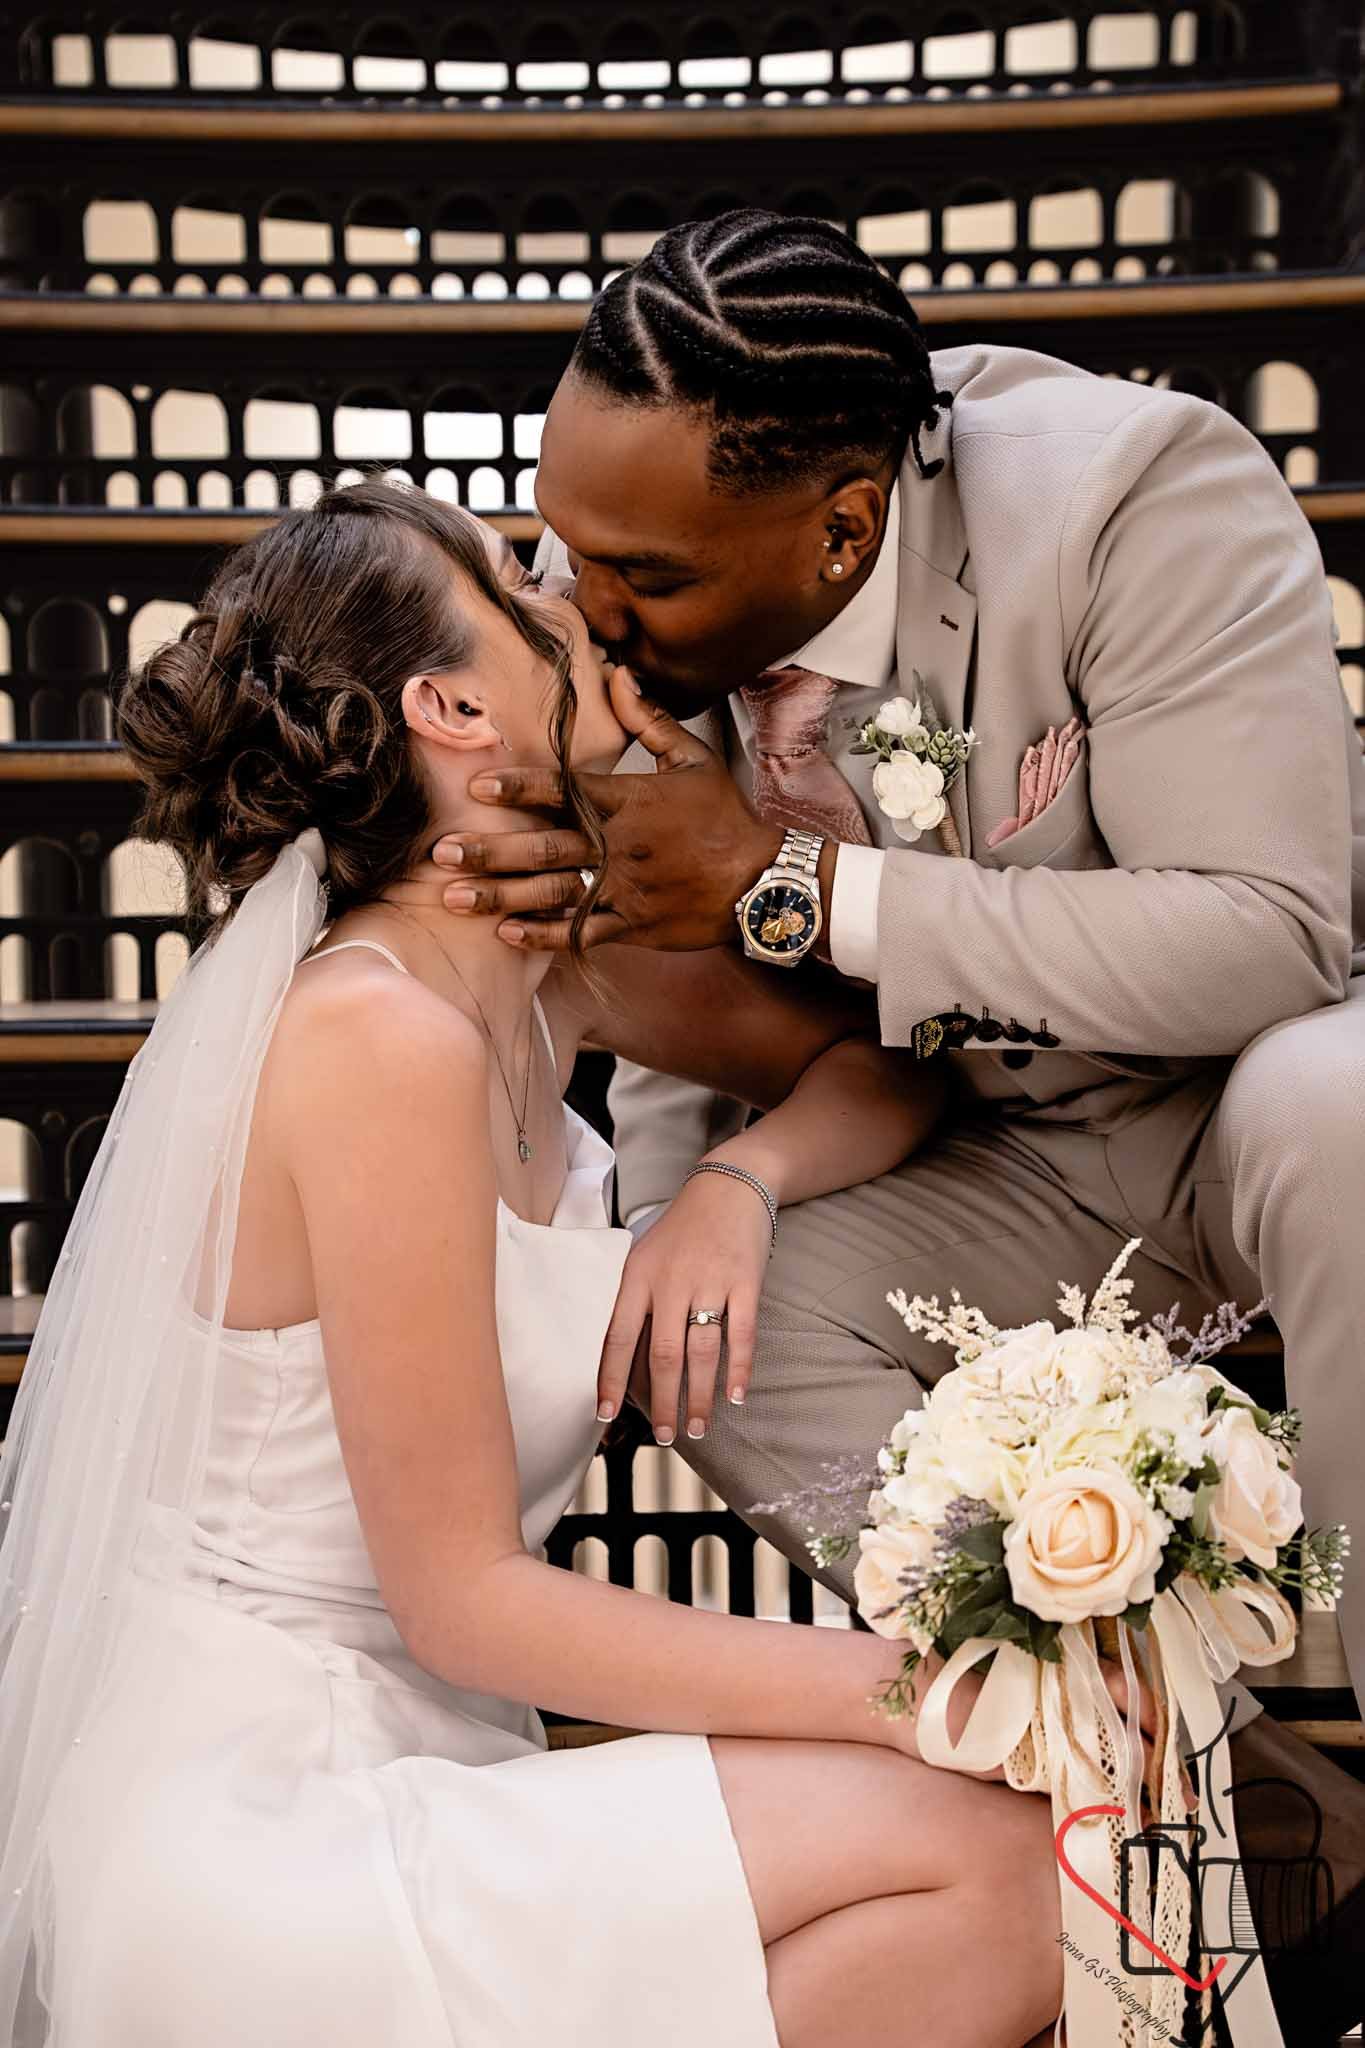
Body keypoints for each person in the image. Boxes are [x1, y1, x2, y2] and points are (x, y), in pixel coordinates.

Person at [0, 481, 1094, 2048]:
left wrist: (734, 1181)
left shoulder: (550, 968)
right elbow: (462, 1603)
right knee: (1000, 1851)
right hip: (269, 1813)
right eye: (524, 589)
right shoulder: (374, 1036)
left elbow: (887, 1072)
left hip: (424, 1748)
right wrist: (921, 1683)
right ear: (450, 706)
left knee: (1010, 1869)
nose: (577, 603)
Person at [432, 210, 1365, 1706]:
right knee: (697, 1324)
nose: (581, 612)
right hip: (967, 1159)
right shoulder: (624, 567)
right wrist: (690, 1205)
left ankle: (1332, 1669)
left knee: (1347, 1101)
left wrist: (789, 881)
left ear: (846, 531)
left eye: (642, 583)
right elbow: (662, 942)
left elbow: (1270, 935)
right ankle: (1141, 1732)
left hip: (1235, 1119)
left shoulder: (1133, 495)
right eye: (565, 545)